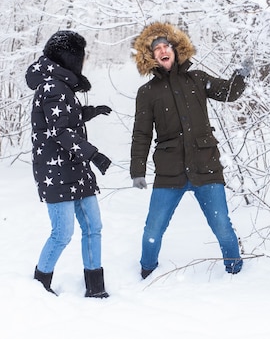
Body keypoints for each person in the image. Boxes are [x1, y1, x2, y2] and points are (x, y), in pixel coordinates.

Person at [130, 21, 250, 279]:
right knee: (153, 230)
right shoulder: (147, 93)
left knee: (222, 226)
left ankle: (236, 273)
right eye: (157, 48)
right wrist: (137, 170)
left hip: (205, 166)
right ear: (151, 56)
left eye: (166, 45)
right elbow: (141, 133)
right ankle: (146, 271)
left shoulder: (198, 79)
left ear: (175, 50)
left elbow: (229, 92)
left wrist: (243, 74)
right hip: (169, 172)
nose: (163, 50)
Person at [26, 30, 113, 298]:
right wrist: (94, 154)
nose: (83, 61)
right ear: (69, 58)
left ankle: (95, 288)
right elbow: (59, 131)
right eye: (80, 56)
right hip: (56, 170)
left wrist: (90, 112)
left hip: (74, 166)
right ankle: (39, 284)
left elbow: (66, 118)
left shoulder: (61, 85)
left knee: (93, 227)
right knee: (62, 233)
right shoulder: (52, 86)